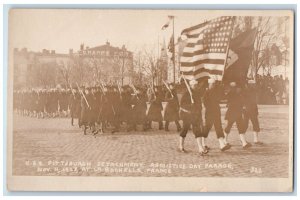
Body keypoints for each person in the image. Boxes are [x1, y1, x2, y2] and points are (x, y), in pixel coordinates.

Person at [178, 79, 207, 155]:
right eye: (194, 85)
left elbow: (199, 105)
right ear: (190, 86)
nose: (196, 86)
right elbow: (181, 105)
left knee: (197, 131)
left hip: (195, 115)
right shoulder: (186, 94)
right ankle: (181, 146)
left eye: (196, 85)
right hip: (187, 115)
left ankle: (200, 149)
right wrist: (190, 106)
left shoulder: (197, 94)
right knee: (184, 130)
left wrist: (199, 112)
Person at [203, 79, 230, 151]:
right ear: (209, 84)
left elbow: (221, 97)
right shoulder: (206, 92)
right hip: (209, 113)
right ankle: (203, 144)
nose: (213, 85)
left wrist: (222, 90)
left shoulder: (216, 91)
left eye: (214, 84)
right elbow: (205, 103)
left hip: (216, 112)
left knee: (218, 127)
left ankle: (222, 145)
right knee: (207, 128)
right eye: (212, 84)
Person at [224, 82, 251, 149]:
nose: (240, 89)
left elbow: (242, 102)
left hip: (238, 113)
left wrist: (243, 107)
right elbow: (227, 96)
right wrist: (231, 86)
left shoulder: (240, 95)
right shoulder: (231, 93)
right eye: (238, 88)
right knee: (229, 126)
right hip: (232, 113)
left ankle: (244, 143)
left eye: (240, 88)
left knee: (240, 127)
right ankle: (224, 140)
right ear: (235, 88)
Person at [243, 80, 263, 145]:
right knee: (251, 124)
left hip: (250, 109)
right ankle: (246, 140)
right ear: (250, 84)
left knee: (253, 124)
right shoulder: (247, 91)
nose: (254, 85)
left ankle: (254, 140)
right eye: (253, 84)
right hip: (249, 109)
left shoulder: (249, 90)